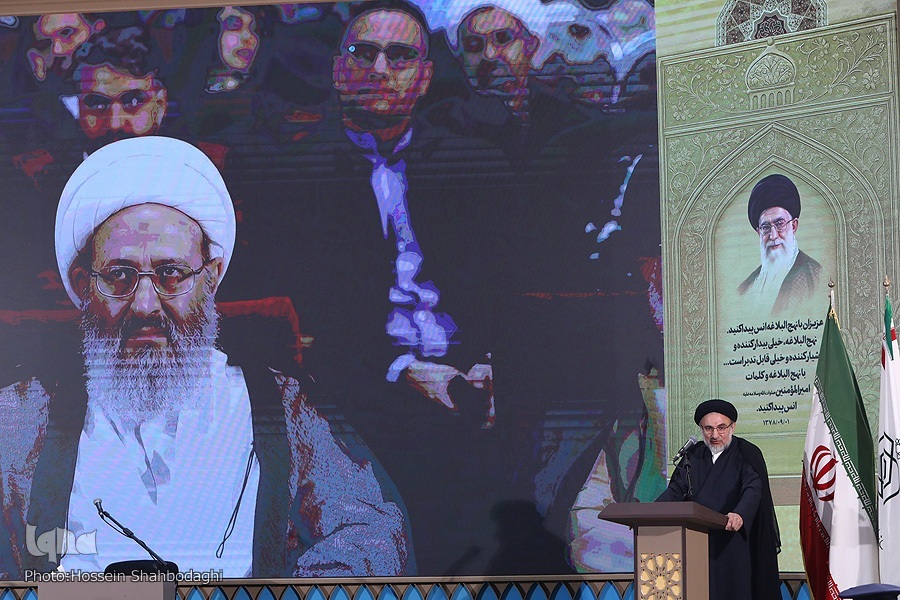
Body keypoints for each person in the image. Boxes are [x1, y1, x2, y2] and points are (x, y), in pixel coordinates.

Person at [0, 136, 409, 578]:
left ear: (210, 279)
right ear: (84, 287)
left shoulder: (280, 407)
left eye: (171, 273)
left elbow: (371, 533)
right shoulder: (21, 416)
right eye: (119, 275)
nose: (145, 305)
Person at [656, 399, 780, 600]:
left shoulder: (746, 453)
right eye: (708, 429)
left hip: (732, 541)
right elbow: (676, 491)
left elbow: (753, 489)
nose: (715, 435)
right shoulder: (692, 456)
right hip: (696, 542)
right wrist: (652, 513)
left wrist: (740, 513)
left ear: (733, 427)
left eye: (721, 428)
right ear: (701, 429)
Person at [737, 173, 823, 315]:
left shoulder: (815, 276)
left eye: (779, 224)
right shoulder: (747, 288)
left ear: (793, 226)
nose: (773, 236)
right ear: (759, 232)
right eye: (766, 227)